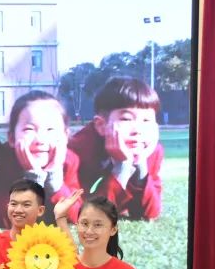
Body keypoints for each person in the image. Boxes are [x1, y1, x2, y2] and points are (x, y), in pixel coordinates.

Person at [0, 91, 83, 228]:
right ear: (11, 138)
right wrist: (31, 182)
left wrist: (56, 184)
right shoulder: (2, 161)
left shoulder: (69, 161)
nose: (40, 139)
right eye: (29, 129)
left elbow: (78, 216)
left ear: (65, 136)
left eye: (50, 129)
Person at [68, 77, 164, 220]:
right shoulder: (78, 150)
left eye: (146, 120)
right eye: (127, 119)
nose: (138, 130)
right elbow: (85, 212)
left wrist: (141, 166)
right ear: (101, 125)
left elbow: (149, 213)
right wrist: (121, 168)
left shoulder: (151, 150)